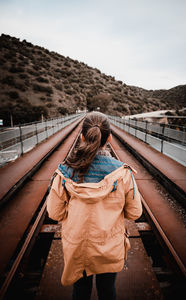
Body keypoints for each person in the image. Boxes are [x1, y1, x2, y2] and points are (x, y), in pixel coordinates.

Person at [47, 111, 142, 300]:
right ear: (109, 138)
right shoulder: (122, 173)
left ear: (82, 136)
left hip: (77, 246)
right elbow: (134, 213)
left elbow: (55, 213)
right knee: (107, 290)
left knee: (80, 291)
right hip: (109, 245)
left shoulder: (64, 171)